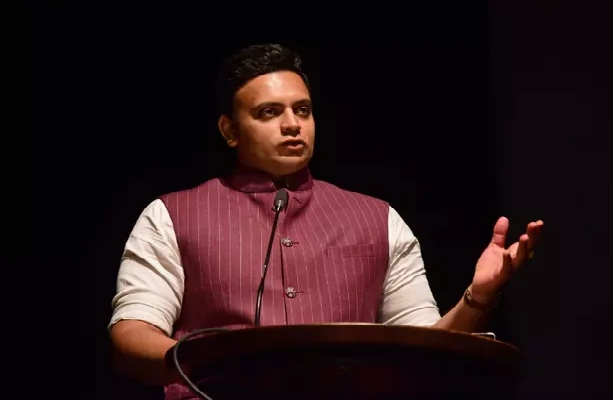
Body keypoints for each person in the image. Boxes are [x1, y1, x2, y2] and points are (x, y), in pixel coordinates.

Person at [108, 43, 543, 398]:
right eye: (269, 112)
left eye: (302, 110)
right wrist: (216, 359)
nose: (292, 125)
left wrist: (478, 298)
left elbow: (424, 349)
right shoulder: (172, 216)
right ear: (229, 130)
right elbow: (131, 336)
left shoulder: (379, 219)